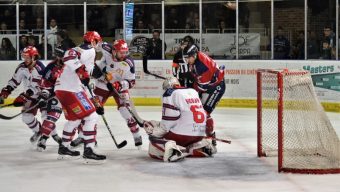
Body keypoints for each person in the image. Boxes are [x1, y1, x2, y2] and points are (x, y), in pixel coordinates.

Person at [54, 31, 106, 163]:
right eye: (97, 41)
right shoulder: (89, 50)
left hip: (62, 89)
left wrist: (95, 102)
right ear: (93, 41)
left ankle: (64, 148)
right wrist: (80, 70)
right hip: (71, 90)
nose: (99, 44)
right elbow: (69, 54)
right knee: (91, 117)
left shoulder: (89, 55)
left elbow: (86, 81)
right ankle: (89, 150)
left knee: (74, 120)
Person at [142, 77, 217, 162]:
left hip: (182, 136)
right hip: (199, 135)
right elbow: (206, 116)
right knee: (187, 135)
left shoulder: (170, 93)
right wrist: (209, 134)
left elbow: (168, 122)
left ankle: (172, 150)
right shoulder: (193, 91)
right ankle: (200, 147)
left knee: (153, 142)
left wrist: (154, 133)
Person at [89, 39, 143, 148]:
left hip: (119, 87)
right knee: (92, 111)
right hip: (102, 84)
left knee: (126, 111)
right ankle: (89, 138)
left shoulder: (129, 63)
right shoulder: (106, 48)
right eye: (121, 52)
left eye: (125, 52)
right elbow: (94, 46)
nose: (124, 55)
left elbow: (131, 82)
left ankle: (136, 135)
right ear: (114, 51)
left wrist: (119, 85)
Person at [0, 46, 47, 143]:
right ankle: (38, 131)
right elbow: (14, 81)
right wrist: (6, 92)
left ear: (34, 57)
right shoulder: (22, 67)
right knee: (26, 117)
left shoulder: (40, 68)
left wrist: (24, 96)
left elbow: (38, 86)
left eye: (27, 57)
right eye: (23, 57)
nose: (25, 60)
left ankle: (47, 139)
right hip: (30, 96)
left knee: (46, 117)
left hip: (44, 96)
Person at [182, 44, 226, 146]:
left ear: (194, 55)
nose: (187, 60)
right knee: (196, 109)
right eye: (186, 58)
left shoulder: (202, 66)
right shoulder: (196, 59)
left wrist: (191, 90)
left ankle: (210, 135)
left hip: (217, 87)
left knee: (204, 113)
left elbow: (202, 88)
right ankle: (198, 133)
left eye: (188, 58)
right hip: (209, 84)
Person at [36, 46, 66, 151]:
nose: (60, 58)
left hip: (72, 95)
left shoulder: (73, 65)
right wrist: (44, 94)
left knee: (80, 117)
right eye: (59, 56)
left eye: (62, 56)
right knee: (52, 117)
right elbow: (45, 82)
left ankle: (85, 138)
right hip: (56, 95)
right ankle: (43, 139)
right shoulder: (51, 66)